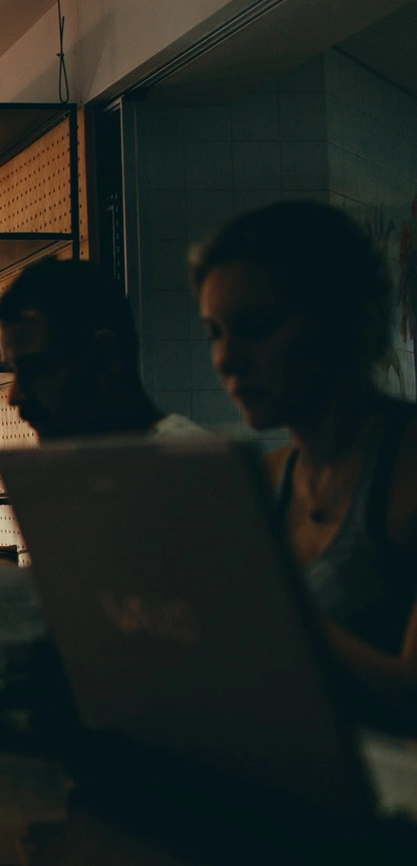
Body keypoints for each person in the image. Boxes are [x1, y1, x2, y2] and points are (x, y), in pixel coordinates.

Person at [194, 200, 417, 720]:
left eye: (257, 325)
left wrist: (272, 607)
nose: (227, 357)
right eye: (216, 333)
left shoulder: (406, 470)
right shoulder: (265, 482)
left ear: (342, 318)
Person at [0, 258, 206, 441]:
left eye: (35, 368)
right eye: (13, 371)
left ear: (104, 357)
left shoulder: (194, 471)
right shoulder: (93, 472)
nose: (14, 396)